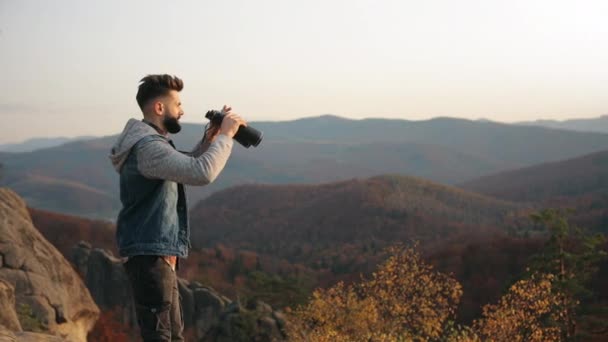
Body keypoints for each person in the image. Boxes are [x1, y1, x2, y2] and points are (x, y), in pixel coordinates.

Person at [109, 74, 246, 341]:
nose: (182, 111)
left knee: (173, 335)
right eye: (178, 104)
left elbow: (186, 164)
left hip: (157, 254)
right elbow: (201, 173)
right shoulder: (148, 147)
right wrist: (227, 136)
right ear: (160, 108)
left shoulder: (152, 144)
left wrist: (211, 138)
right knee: (161, 336)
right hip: (150, 256)